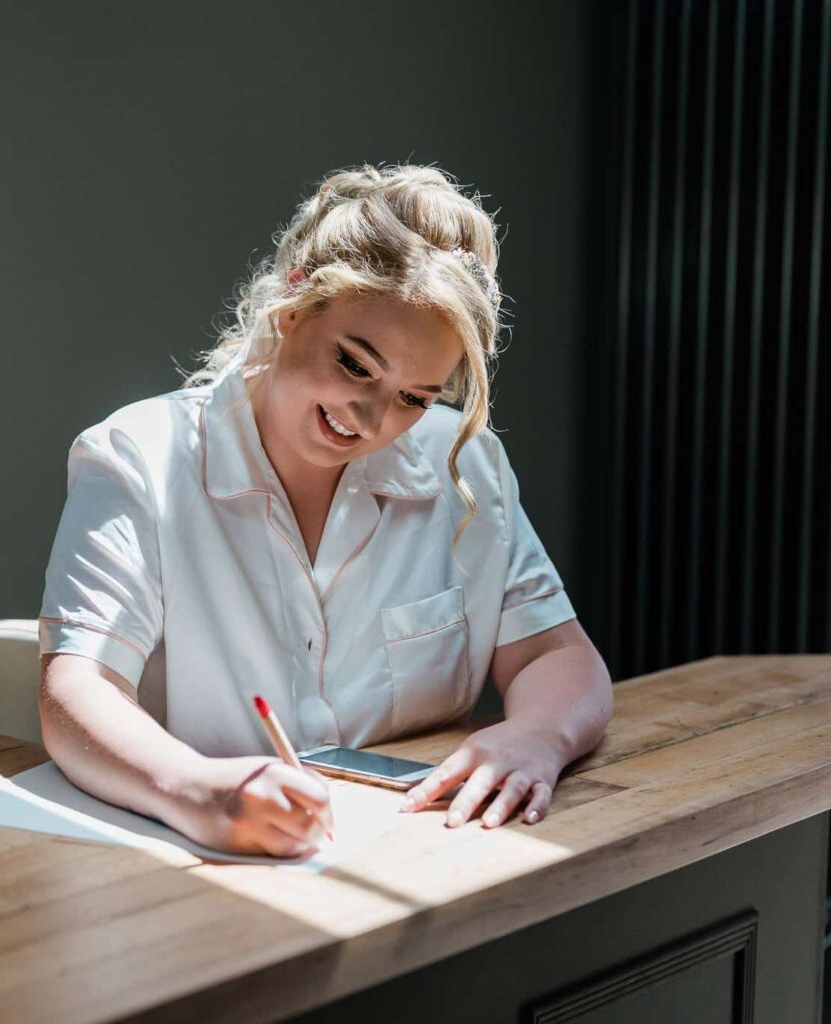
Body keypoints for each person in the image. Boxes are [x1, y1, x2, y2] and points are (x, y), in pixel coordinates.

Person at [37, 163, 614, 859]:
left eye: (415, 397)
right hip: (191, 873)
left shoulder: (461, 463)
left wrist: (535, 738)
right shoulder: (139, 458)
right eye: (356, 366)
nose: (370, 418)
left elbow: (555, 655)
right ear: (293, 301)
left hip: (430, 859)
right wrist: (195, 789)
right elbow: (77, 690)